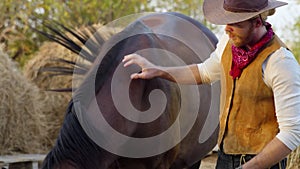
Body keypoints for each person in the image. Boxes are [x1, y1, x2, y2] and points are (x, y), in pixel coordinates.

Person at [122, 0, 300, 168]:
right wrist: (158, 70)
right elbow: (204, 72)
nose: (227, 29)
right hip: (225, 156)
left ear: (257, 23)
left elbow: (292, 133)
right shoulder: (229, 43)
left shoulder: (280, 62)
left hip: (262, 162)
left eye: (236, 23)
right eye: (226, 21)